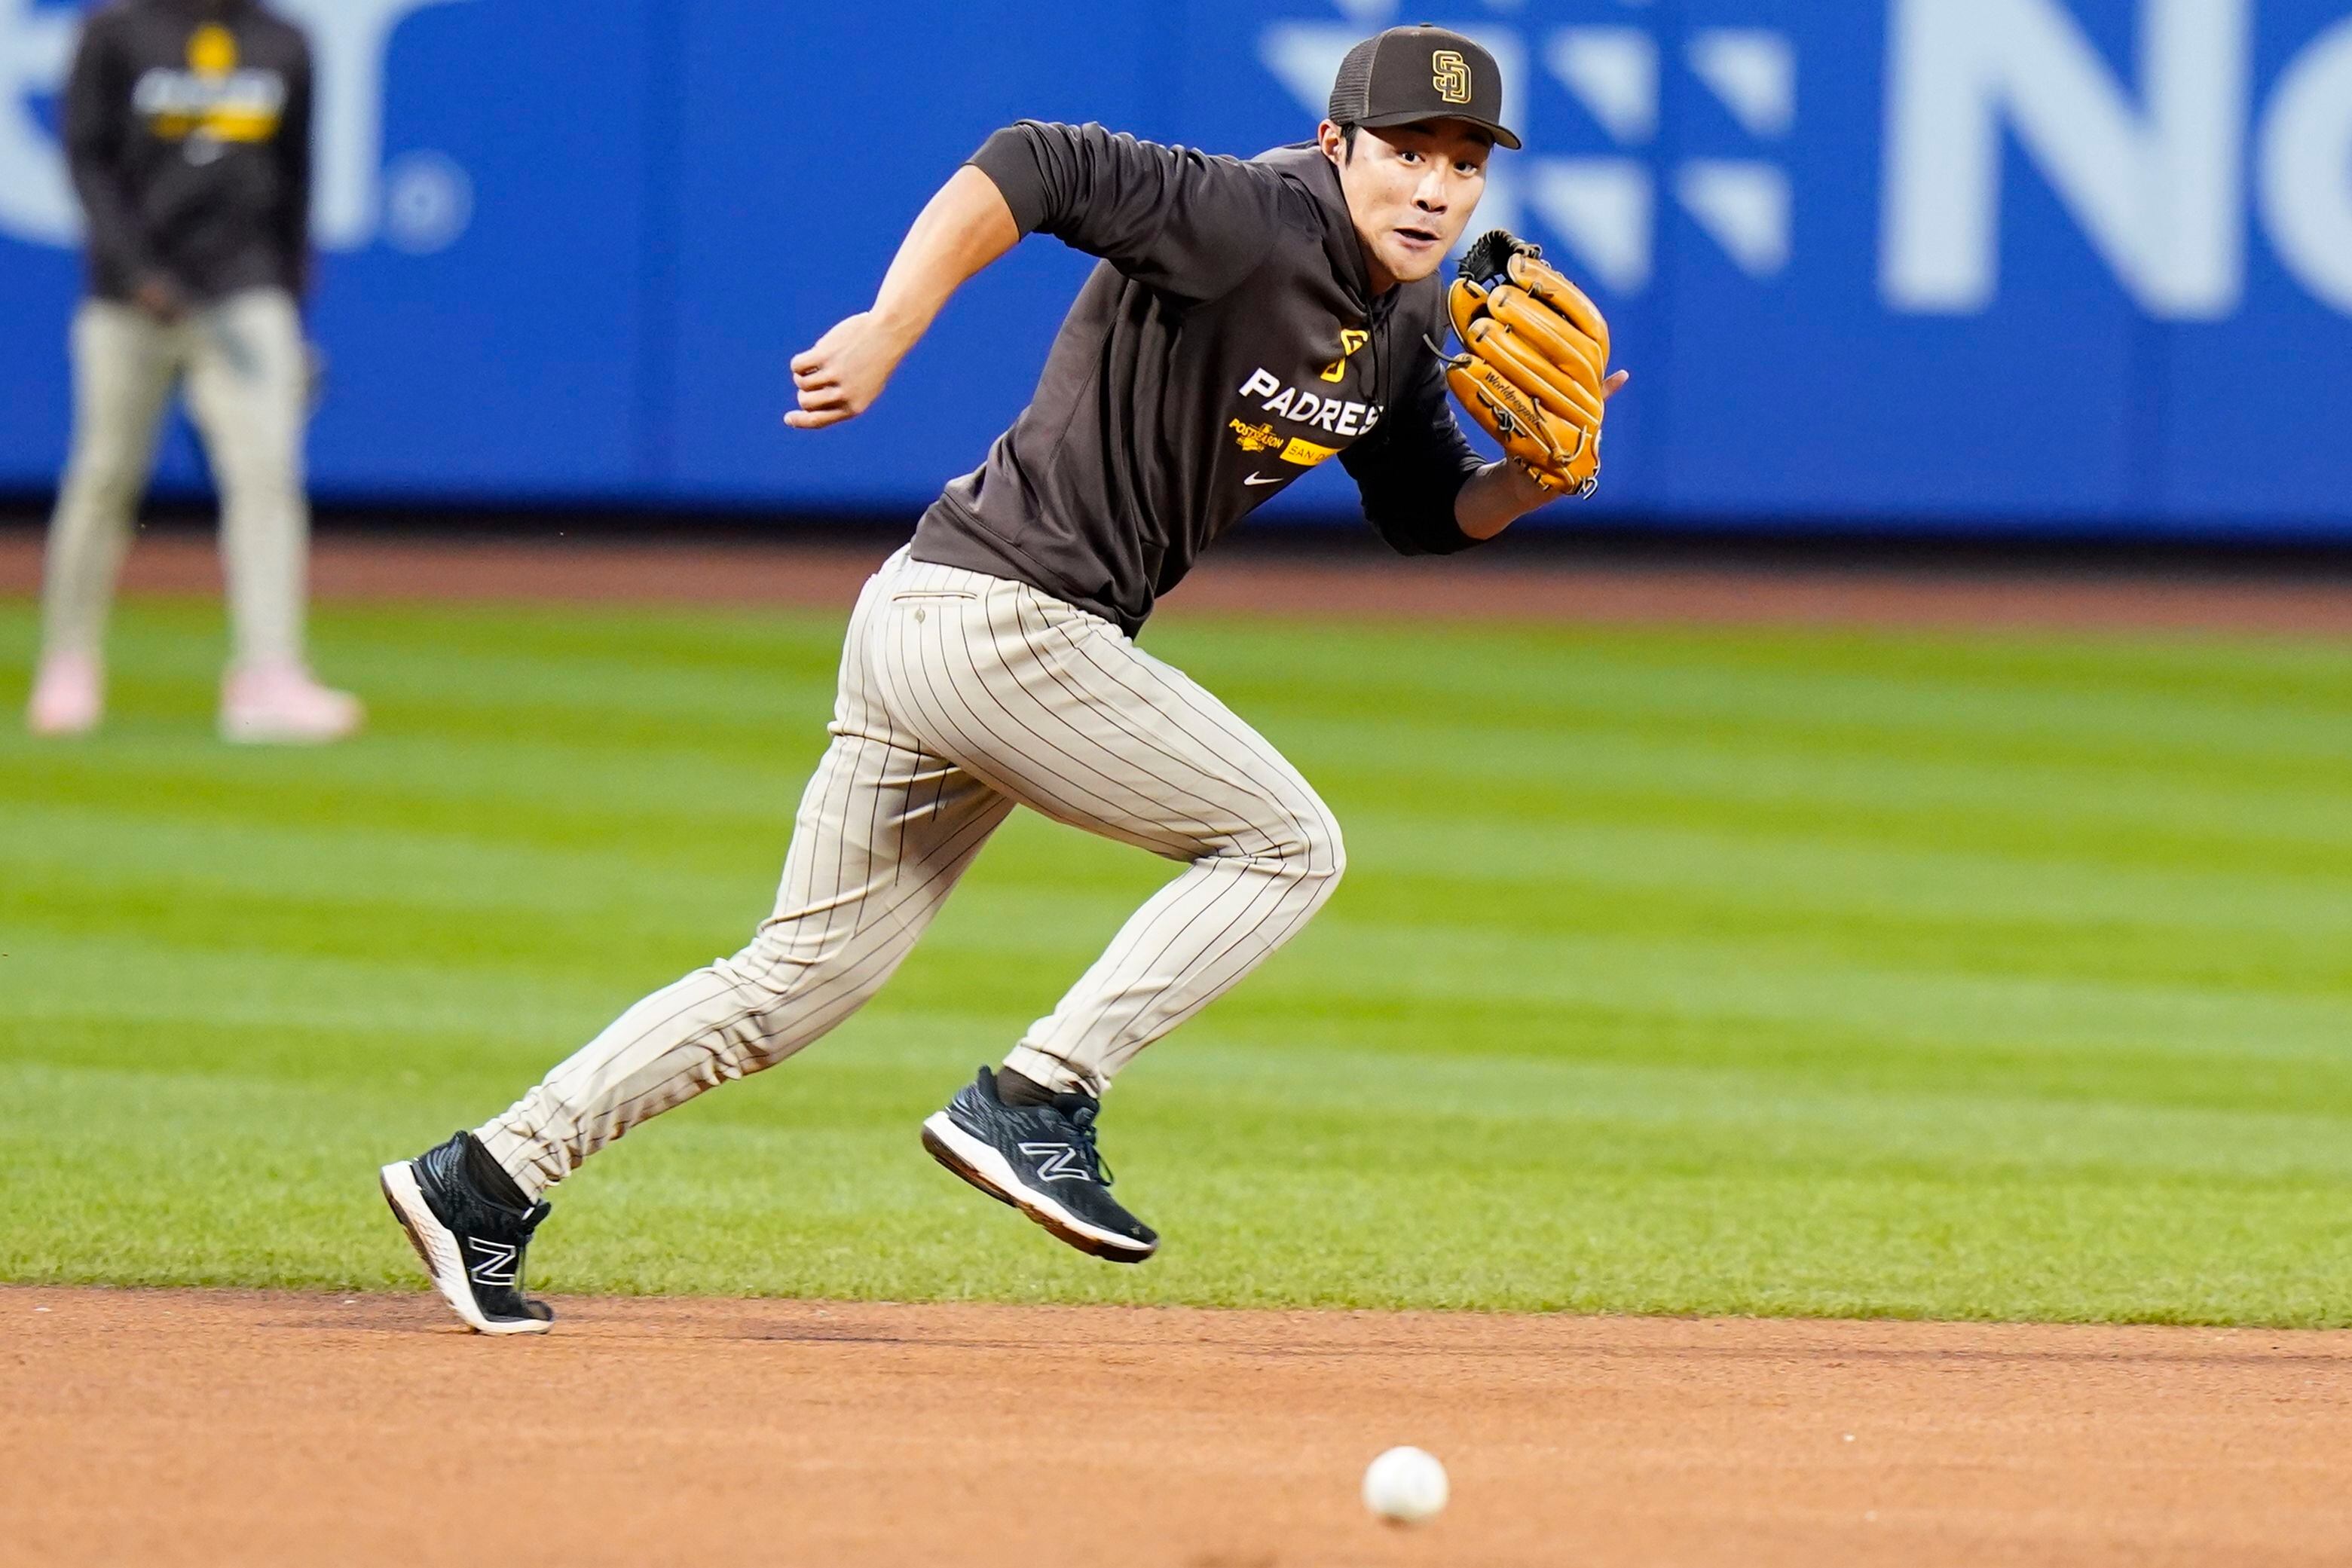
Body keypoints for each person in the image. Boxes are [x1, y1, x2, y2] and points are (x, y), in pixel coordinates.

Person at [380, 24, 1627, 1334]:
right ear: (1337, 144)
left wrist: (1530, 486)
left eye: (1463, 161)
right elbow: (1031, 163)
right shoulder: (1249, 216)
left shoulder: (1407, 315)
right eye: (1405, 150)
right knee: (1287, 845)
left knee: (798, 978)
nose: (1433, 186)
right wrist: (888, 325)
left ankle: (485, 1175)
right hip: (1004, 622)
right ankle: (1041, 1096)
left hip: (946, 619)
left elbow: (1429, 509)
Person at [24, 0, 359, 744]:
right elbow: (87, 160)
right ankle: (69, 660)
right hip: (130, 302)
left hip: (243, 297)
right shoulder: (114, 33)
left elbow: (294, 178)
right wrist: (136, 269)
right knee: (105, 476)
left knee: (266, 475)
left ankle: (267, 672)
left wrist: (290, 307)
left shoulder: (283, 42)